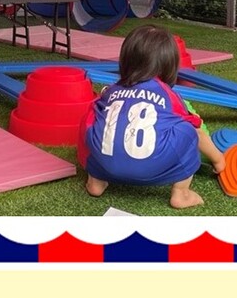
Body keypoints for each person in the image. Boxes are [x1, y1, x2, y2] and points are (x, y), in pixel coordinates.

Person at [78, 24, 225, 209]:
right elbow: (198, 131)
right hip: (154, 168)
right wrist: (219, 161)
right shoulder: (169, 95)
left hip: (105, 164)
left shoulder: (111, 91)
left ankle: (96, 181)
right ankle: (181, 194)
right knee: (189, 128)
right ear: (170, 65)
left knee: (93, 117)